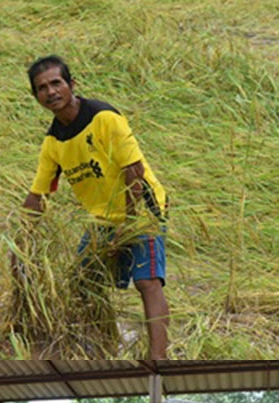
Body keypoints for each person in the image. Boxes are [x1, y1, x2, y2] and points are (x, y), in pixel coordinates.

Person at [21, 56, 170, 359]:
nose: (50, 92)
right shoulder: (53, 143)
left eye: (56, 83)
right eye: (42, 88)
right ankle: (106, 345)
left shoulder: (104, 118)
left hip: (141, 210)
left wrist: (126, 225)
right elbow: (38, 196)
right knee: (82, 284)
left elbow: (134, 172)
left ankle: (158, 361)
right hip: (102, 219)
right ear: (36, 97)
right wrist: (20, 240)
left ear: (72, 85)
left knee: (147, 281)